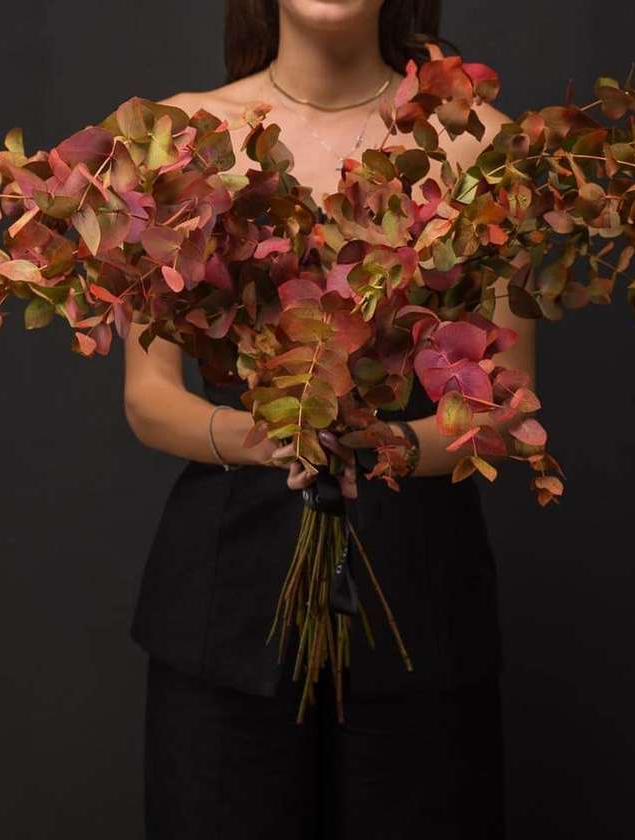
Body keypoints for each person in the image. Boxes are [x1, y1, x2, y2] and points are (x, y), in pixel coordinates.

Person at [123, 1, 536, 837]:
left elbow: (500, 404)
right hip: (225, 605)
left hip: (420, 602)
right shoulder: (182, 135)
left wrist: (376, 442)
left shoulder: (482, 144)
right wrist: (266, 437)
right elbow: (149, 396)